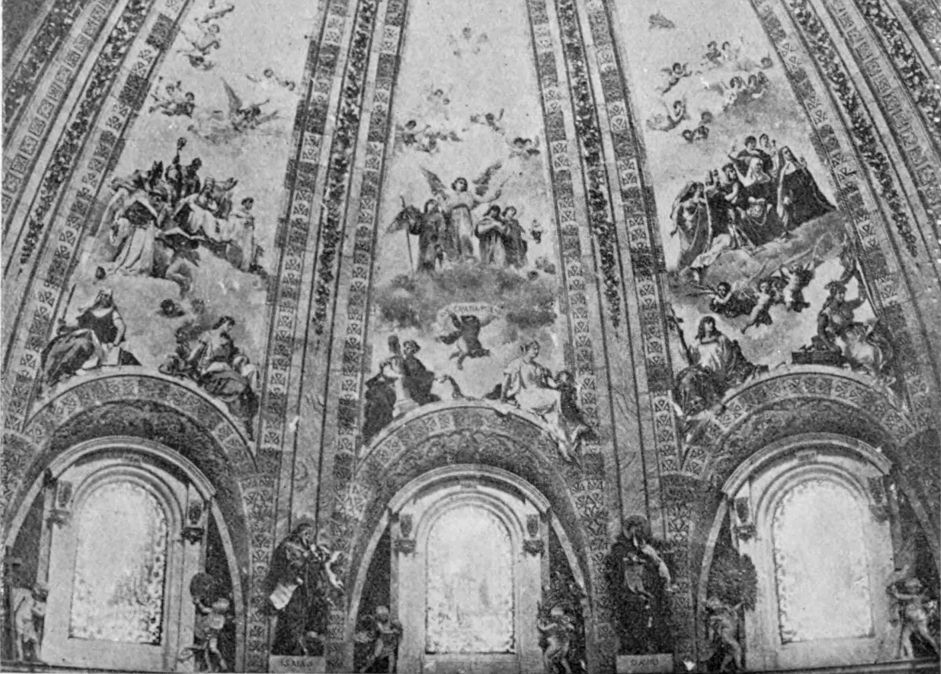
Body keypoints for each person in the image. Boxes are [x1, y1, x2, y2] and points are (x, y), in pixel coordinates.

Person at [268, 523, 344, 657]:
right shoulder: (289, 546)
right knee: (292, 618)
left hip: (306, 591)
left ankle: (301, 646)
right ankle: (290, 648)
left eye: (310, 534)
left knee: (304, 617)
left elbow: (317, 566)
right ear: (301, 533)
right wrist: (306, 557)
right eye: (307, 534)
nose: (309, 537)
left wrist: (320, 559)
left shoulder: (309, 549)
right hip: (292, 589)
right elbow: (289, 565)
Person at [501, 341, 582, 460]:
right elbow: (506, 382)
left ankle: (565, 447)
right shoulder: (516, 364)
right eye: (534, 349)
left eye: (537, 349)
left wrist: (561, 383)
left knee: (556, 420)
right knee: (556, 396)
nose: (536, 351)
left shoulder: (538, 367)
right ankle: (571, 420)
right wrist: (503, 398)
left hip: (540, 394)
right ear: (526, 349)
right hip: (526, 396)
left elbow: (551, 383)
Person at [41, 289, 134, 387]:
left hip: (94, 341)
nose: (105, 298)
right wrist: (64, 326)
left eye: (107, 296)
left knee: (81, 345)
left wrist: (114, 343)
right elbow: (77, 324)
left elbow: (121, 327)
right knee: (57, 347)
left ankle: (61, 372)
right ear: (99, 296)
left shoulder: (112, 313)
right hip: (78, 335)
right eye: (103, 295)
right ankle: (47, 375)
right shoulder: (90, 311)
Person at [672, 316, 761, 416]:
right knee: (685, 378)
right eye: (708, 323)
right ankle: (688, 408)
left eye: (712, 322)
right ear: (702, 325)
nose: (711, 324)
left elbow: (729, 357)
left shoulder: (721, 338)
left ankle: (712, 406)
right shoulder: (697, 342)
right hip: (702, 369)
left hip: (717, 371)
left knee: (696, 378)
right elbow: (689, 358)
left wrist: (725, 371)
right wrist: (680, 337)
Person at [608, 516, 673, 654]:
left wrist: (651, 558)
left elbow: (658, 565)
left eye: (641, 528)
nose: (638, 531)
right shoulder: (619, 547)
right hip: (630, 591)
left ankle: (654, 645)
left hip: (650, 588)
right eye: (635, 528)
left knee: (654, 614)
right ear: (629, 529)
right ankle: (636, 646)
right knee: (634, 616)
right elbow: (618, 567)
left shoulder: (650, 546)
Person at [775, 146, 834, 233]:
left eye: (789, 151)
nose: (789, 154)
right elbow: (783, 186)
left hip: (807, 191)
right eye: (786, 153)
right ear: (782, 156)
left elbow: (808, 177)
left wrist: (804, 168)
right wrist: (785, 196)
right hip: (797, 196)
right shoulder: (783, 170)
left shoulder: (797, 164)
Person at [359, 606, 403, 673]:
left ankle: (390, 672)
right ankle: (365, 668)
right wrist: (393, 631)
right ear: (378, 616)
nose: (383, 617)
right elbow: (381, 632)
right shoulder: (378, 622)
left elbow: (398, 629)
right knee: (375, 654)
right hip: (381, 641)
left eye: (384, 615)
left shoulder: (391, 621)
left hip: (390, 642)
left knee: (391, 657)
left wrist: (396, 631)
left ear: (387, 614)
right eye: (381, 615)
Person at [536, 605, 577, 674]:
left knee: (546, 657)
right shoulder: (566, 624)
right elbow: (572, 628)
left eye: (554, 616)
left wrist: (538, 622)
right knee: (562, 659)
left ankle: (551, 671)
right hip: (564, 646)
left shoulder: (555, 624)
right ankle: (568, 671)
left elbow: (543, 629)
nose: (553, 617)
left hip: (556, 645)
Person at [230, 196, 257, 272]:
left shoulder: (251, 214)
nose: (251, 205)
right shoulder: (238, 211)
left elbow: (253, 226)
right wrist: (243, 220)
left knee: (247, 249)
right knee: (238, 247)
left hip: (247, 233)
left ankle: (244, 266)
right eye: (249, 202)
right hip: (239, 232)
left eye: (251, 203)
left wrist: (251, 223)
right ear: (245, 203)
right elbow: (232, 218)